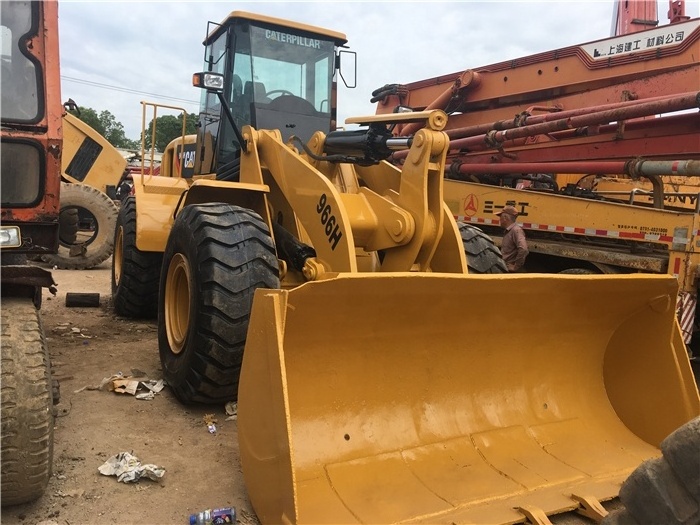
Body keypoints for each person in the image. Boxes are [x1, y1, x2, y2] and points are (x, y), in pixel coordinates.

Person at [495, 205, 529, 272]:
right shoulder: (510, 231)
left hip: (509, 271)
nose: (499, 219)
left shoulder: (516, 230)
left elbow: (524, 249)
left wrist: (515, 267)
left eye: (500, 216)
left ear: (505, 217)